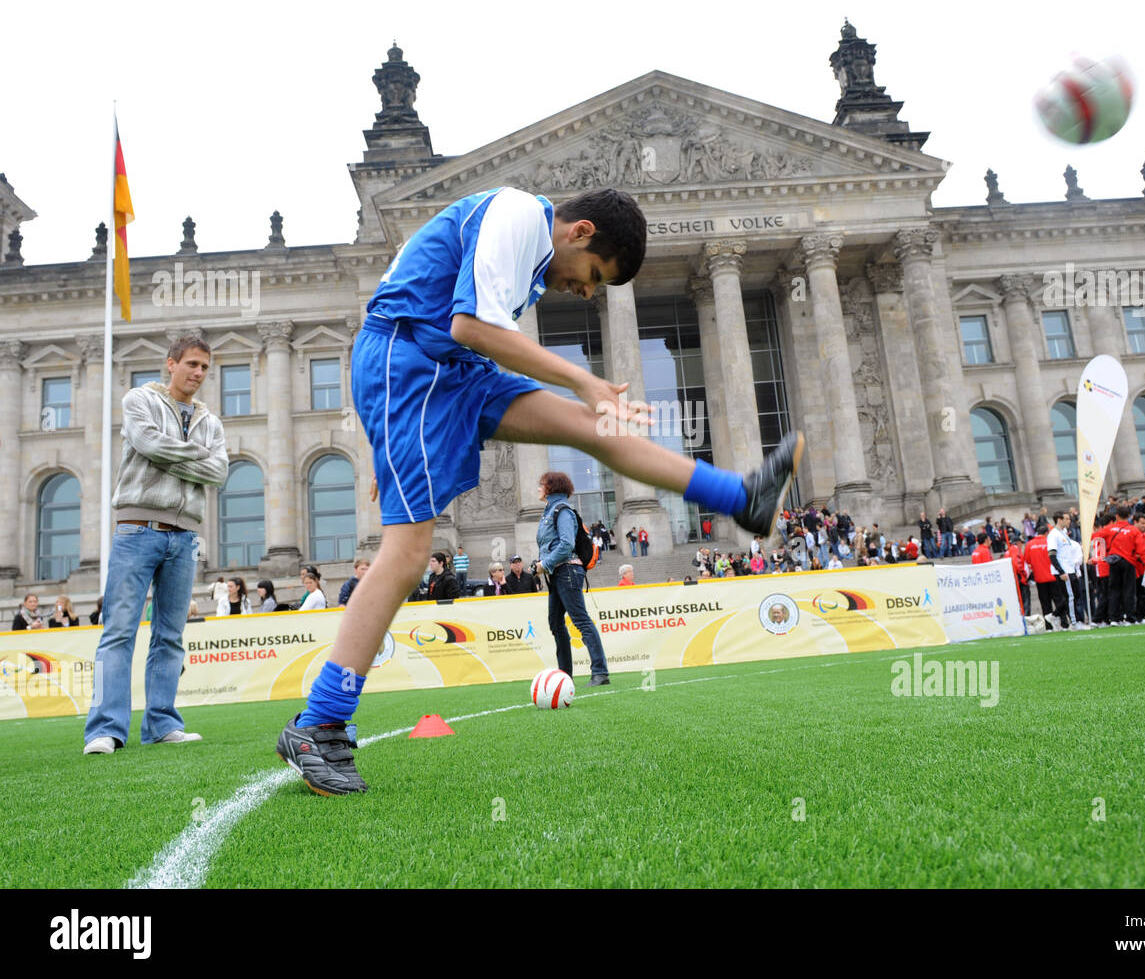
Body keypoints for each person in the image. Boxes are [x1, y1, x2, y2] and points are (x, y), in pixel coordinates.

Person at [274, 185, 802, 795]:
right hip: (410, 364)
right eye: (594, 275)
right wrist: (582, 378)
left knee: (593, 428)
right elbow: (468, 324)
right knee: (409, 552)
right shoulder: (518, 214)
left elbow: (467, 329)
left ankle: (743, 495)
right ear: (578, 232)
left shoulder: (528, 249)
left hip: (450, 373)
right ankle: (320, 722)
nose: (586, 291)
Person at [84, 335, 227, 754]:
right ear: (171, 364)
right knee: (119, 632)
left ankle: (162, 723)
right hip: (137, 529)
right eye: (192, 364)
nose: (198, 373)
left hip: (185, 538)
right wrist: (198, 458)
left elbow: (220, 472)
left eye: (204, 367)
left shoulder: (211, 423)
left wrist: (184, 457)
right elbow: (148, 444)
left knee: (170, 635)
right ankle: (105, 730)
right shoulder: (139, 401)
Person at [536, 472, 610, 684]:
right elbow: (550, 544)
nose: (538, 488)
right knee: (555, 623)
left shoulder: (562, 510)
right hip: (558, 572)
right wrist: (541, 563)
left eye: (541, 485)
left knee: (580, 620)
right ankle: (564, 676)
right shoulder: (549, 511)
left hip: (567, 571)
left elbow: (567, 544)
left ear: (551, 487)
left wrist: (545, 564)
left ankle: (600, 672)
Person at [1024, 523, 1069, 631]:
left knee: (1045, 603)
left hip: (1040, 579)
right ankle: (1064, 624)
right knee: (1059, 601)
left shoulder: (1030, 545)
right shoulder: (1049, 542)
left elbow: (1028, 561)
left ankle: (1049, 627)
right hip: (1053, 577)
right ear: (1047, 533)